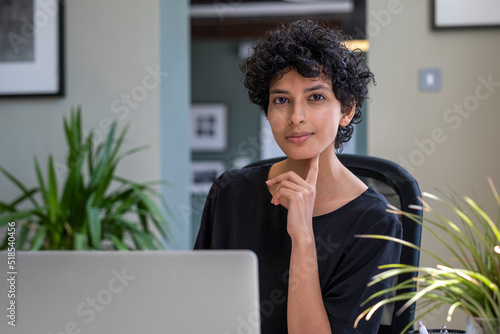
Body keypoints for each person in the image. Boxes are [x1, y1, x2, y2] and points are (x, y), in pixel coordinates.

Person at [194, 19, 402, 334]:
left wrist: (303, 237)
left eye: (315, 97)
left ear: (346, 110)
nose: (296, 117)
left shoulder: (375, 222)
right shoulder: (231, 193)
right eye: (281, 100)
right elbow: (197, 309)